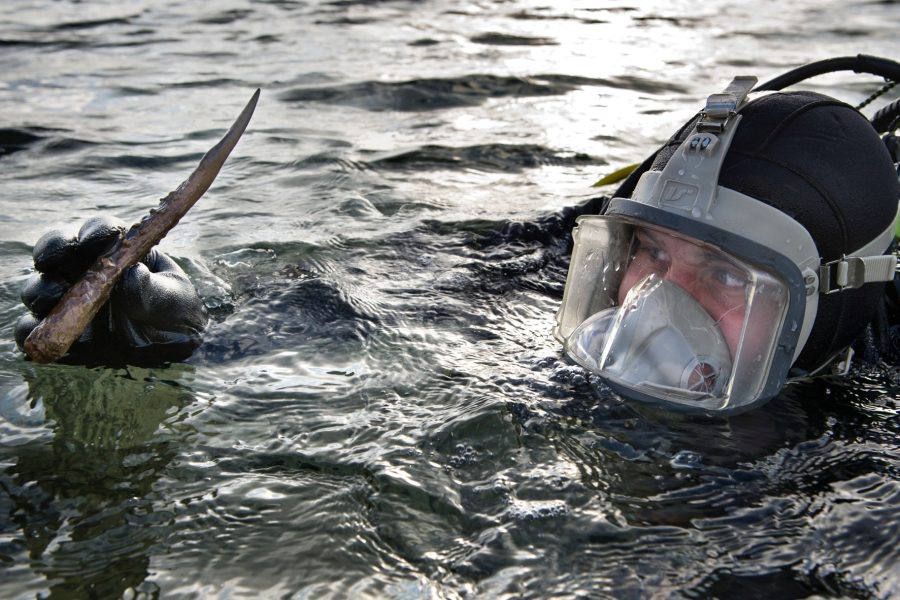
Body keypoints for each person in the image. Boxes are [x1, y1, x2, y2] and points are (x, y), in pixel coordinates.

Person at [15, 56, 900, 414]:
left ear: (831, 308)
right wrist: (191, 332)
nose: (652, 303)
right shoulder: (577, 256)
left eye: (727, 278)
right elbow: (383, 299)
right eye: (648, 254)